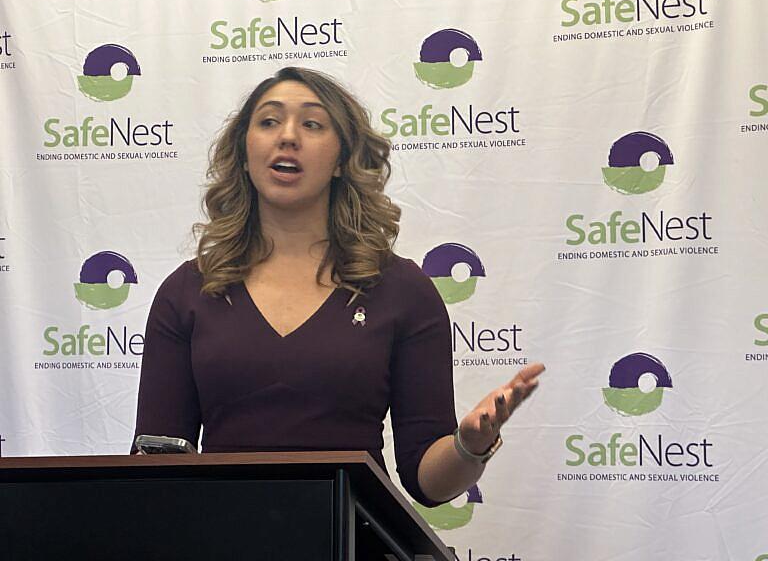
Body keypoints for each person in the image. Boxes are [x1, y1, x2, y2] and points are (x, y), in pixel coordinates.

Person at [132, 66, 544, 507]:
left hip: (356, 539)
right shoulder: (190, 290)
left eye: (312, 123)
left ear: (342, 159)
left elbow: (429, 485)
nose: (287, 136)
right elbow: (155, 464)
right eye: (269, 121)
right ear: (245, 150)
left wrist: (469, 444)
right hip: (223, 537)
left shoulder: (402, 289)